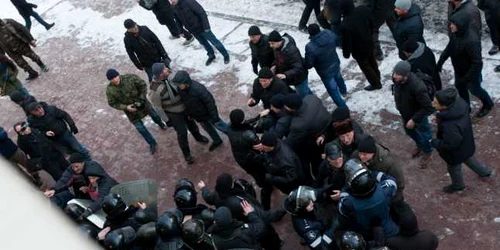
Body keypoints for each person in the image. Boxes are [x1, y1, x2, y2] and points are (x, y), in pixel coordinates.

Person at [431, 88, 492, 193]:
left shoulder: (450, 125)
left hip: (455, 152)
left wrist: (435, 142)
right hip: (466, 144)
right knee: (469, 158)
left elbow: (450, 144)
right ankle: (484, 172)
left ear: (444, 106)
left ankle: (458, 185)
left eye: (436, 102)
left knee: (454, 169)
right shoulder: (459, 104)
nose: (433, 103)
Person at [148, 63, 209, 163]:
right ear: (160, 75)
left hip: (185, 108)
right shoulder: (154, 89)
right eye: (164, 69)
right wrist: (166, 120)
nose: (167, 69)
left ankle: (198, 137)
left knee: (192, 125)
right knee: (182, 134)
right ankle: (187, 154)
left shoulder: (172, 76)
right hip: (173, 113)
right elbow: (157, 107)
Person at [437, 12, 494, 118]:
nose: (450, 26)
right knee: (460, 87)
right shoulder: (455, 34)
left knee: (475, 90)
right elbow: (449, 48)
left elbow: (477, 63)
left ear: (460, 25)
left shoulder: (471, 41)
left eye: (453, 24)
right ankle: (465, 108)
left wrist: (467, 78)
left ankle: (488, 104)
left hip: (470, 73)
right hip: (459, 70)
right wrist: (440, 62)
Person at [105, 69, 167, 154]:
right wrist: (126, 107)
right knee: (141, 129)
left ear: (118, 75)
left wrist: (141, 98)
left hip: (144, 105)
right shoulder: (110, 90)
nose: (115, 79)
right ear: (109, 80)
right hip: (131, 112)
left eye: (116, 76)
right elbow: (112, 103)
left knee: (155, 115)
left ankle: (160, 123)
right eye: (112, 78)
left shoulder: (130, 78)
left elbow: (142, 85)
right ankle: (152, 143)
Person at [338, 159, 399, 239]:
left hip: (366, 235)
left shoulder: (349, 203)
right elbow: (392, 181)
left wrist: (346, 188)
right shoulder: (384, 190)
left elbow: (342, 211)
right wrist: (372, 173)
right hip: (389, 231)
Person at [171, 70, 229, 151]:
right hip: (199, 117)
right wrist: (190, 114)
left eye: (180, 84)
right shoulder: (181, 90)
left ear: (185, 82)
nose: (178, 86)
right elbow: (186, 103)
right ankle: (217, 140)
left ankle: (234, 137)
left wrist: (215, 117)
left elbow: (210, 102)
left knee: (221, 126)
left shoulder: (198, 89)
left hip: (209, 115)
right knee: (208, 129)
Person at [392, 61, 434, 167]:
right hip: (406, 113)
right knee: (409, 131)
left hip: (418, 116)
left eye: (397, 74)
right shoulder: (397, 80)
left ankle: (428, 151)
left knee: (425, 134)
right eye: (394, 72)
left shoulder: (418, 87)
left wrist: (414, 120)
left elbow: (428, 107)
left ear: (405, 76)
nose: (394, 76)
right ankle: (420, 145)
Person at [283, 93, 331, 179]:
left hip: (315, 142)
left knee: (315, 161)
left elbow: (291, 142)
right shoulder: (311, 98)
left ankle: (319, 177)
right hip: (328, 130)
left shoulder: (299, 124)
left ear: (292, 109)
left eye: (285, 106)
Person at [339, 0, 382, 91]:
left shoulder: (345, 24)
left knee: (366, 67)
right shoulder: (363, 9)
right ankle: (378, 77)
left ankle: (376, 84)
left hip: (358, 50)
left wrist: (346, 54)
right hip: (369, 42)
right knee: (372, 61)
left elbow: (347, 42)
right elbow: (372, 23)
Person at [170, 0, 230, 66]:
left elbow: (201, 13)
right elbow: (177, 20)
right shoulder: (173, 7)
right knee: (204, 43)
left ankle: (225, 55)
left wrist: (206, 27)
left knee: (214, 42)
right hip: (193, 30)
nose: (172, 1)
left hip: (202, 27)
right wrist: (180, 31)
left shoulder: (189, 2)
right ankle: (211, 55)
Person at [304, 24, 347, 107]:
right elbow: (337, 42)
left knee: (333, 90)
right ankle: (344, 91)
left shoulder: (310, 47)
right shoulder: (329, 33)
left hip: (325, 71)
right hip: (335, 63)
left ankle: (343, 107)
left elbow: (309, 64)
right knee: (339, 77)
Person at [353, 135, 406, 203]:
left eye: (365, 154)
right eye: (360, 153)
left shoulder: (389, 163)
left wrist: (389, 200)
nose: (361, 156)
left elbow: (399, 184)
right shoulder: (356, 155)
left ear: (373, 153)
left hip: (386, 196)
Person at [226, 109, 267, 192]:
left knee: (254, 174)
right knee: (260, 172)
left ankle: (261, 183)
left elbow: (246, 123)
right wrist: (261, 119)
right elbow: (259, 145)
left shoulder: (230, 128)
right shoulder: (248, 135)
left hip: (240, 158)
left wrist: (259, 116)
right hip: (252, 158)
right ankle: (265, 185)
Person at [268, 30, 312, 97]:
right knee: (305, 91)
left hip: (299, 78)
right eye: (270, 43)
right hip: (292, 77)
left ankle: (314, 105)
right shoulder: (277, 48)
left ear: (279, 41)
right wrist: (274, 65)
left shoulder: (291, 51)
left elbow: (299, 68)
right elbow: (278, 59)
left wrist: (285, 75)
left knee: (304, 96)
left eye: (272, 43)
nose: (271, 46)